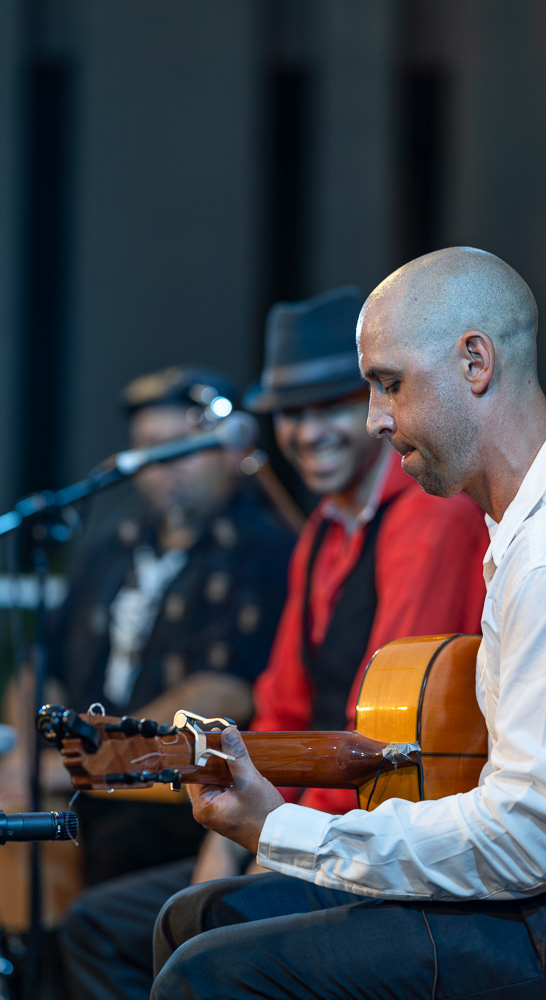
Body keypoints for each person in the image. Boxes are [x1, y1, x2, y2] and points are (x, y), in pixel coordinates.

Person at [150, 250, 546, 999]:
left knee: (209, 974)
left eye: (389, 383)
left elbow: (531, 839)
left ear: (475, 363)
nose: (375, 419)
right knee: (198, 917)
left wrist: (282, 831)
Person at [58, 285, 489, 1000]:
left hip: (388, 838)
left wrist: (277, 841)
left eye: (330, 407)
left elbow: (385, 729)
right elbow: (282, 708)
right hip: (313, 825)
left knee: (197, 931)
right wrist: (225, 846)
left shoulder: (427, 514)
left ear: (375, 407)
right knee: (103, 924)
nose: (307, 432)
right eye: (291, 413)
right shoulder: (321, 530)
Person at [0, 365, 295, 885]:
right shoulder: (113, 543)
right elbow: (41, 664)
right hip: (79, 778)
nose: (165, 467)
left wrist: (97, 759)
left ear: (231, 451)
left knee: (116, 848)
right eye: (149, 449)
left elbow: (223, 692)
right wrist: (25, 759)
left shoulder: (264, 550)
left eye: (181, 447)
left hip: (173, 795)